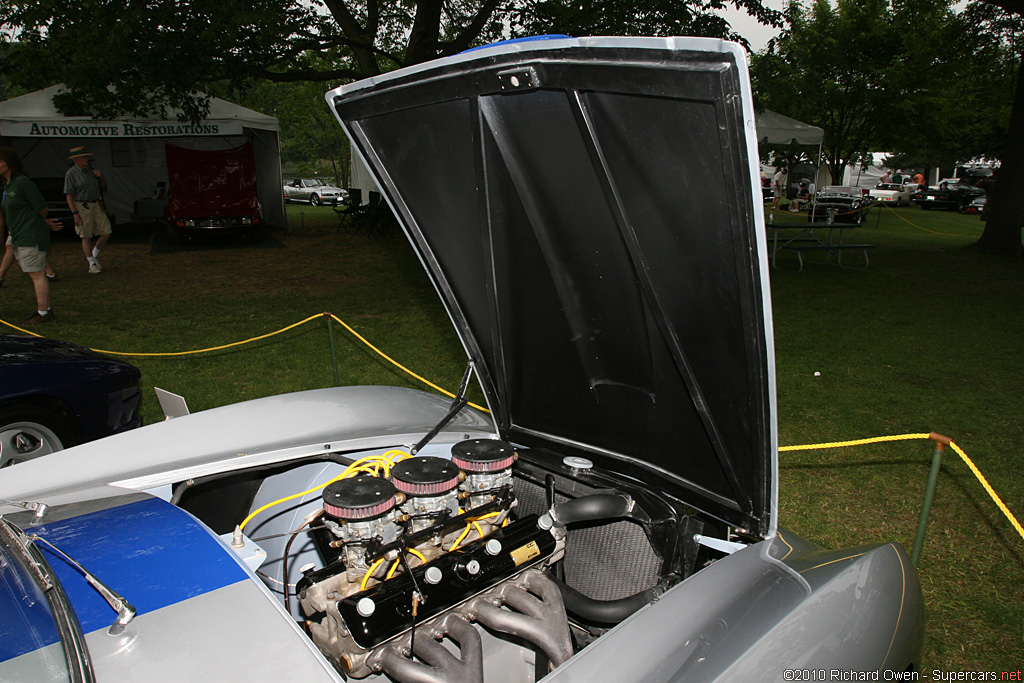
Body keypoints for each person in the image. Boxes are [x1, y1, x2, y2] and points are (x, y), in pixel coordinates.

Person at [0, 147, 63, 324]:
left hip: (30, 234)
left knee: (37, 274)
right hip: (18, 233)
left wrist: (38, 223)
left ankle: (44, 313)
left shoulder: (23, 183)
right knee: (31, 270)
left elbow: (41, 208)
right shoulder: (8, 184)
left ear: (10, 163)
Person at [64, 145, 111, 274]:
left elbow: (104, 186)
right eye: (84, 157)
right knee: (86, 236)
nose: (86, 159)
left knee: (106, 231)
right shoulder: (71, 174)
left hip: (96, 203)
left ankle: (94, 254)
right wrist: (75, 212)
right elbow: (68, 195)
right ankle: (91, 263)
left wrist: (100, 176)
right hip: (81, 205)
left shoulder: (91, 170)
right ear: (77, 159)